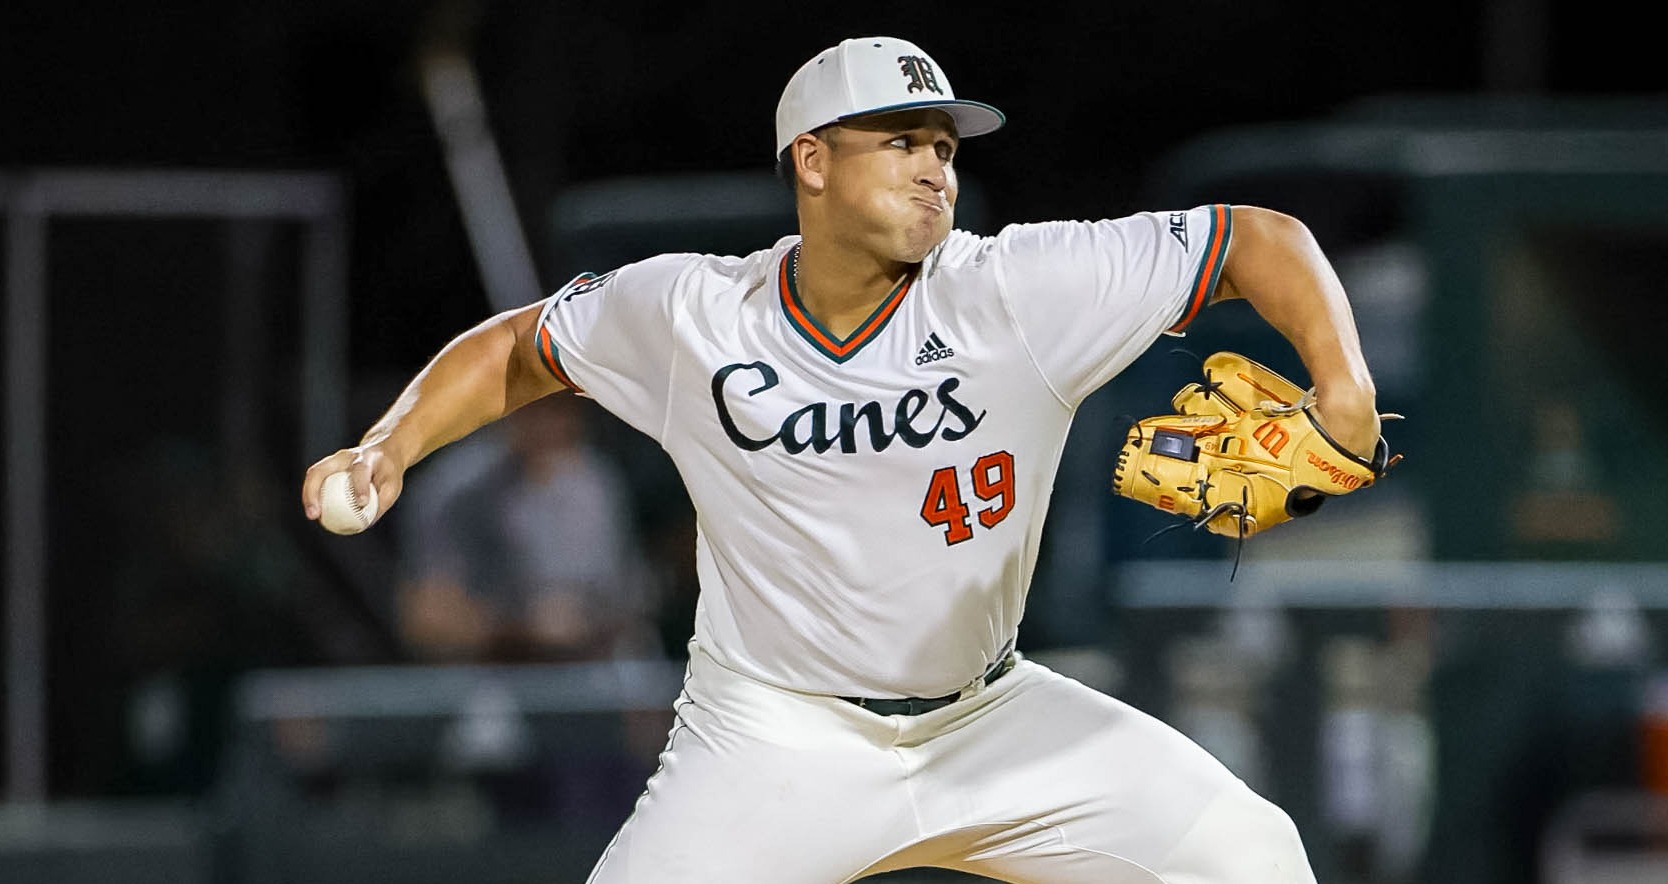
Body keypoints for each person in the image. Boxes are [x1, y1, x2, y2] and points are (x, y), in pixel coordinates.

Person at [303, 35, 1382, 883]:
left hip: (989, 717)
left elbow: (1257, 237)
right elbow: (518, 347)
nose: (935, 171)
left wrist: (1343, 386)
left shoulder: (1017, 288)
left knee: (1251, 855)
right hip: (774, 735)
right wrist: (390, 443)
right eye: (901, 141)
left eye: (946, 148)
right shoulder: (695, 312)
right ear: (810, 162)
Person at [393, 391, 659, 663]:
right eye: (534, 405)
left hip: (591, 668)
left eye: (560, 406)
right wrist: (525, 629)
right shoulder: (456, 489)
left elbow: (631, 601)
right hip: (494, 675)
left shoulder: (596, 483)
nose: (549, 423)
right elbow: (426, 621)